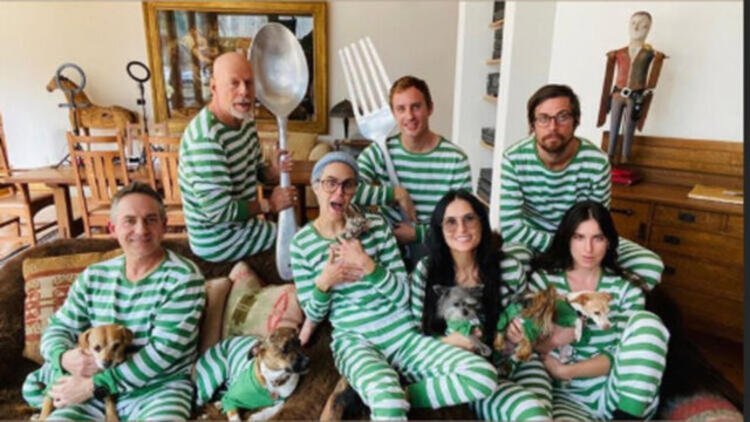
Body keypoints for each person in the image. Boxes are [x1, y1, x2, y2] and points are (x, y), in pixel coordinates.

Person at [290, 152, 497, 420]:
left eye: (348, 184)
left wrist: (367, 264)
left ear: (355, 190)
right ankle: (388, 397)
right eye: (330, 183)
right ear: (316, 186)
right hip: (357, 343)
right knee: (388, 403)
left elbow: (402, 295)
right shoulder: (301, 244)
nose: (339, 192)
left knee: (483, 375)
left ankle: (401, 395)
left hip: (405, 337)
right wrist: (325, 281)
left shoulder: (376, 226)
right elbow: (313, 313)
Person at [22, 182, 206, 420]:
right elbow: (58, 328)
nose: (141, 230)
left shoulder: (183, 278)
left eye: (150, 220)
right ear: (113, 228)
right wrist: (64, 358)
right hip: (87, 389)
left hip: (159, 389)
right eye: (129, 221)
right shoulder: (93, 276)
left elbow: (162, 354)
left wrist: (94, 386)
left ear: (164, 226)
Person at [499, 83, 663, 289]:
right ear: (533, 124)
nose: (553, 127)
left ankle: (604, 306)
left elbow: (598, 222)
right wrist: (560, 246)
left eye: (562, 117)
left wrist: (578, 246)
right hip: (531, 239)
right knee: (506, 266)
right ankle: (532, 307)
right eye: (543, 118)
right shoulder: (514, 158)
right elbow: (511, 228)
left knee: (650, 265)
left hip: (583, 240)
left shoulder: (597, 162)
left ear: (576, 121)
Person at [410, 190, 551, 421]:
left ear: (482, 222)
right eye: (451, 222)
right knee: (531, 414)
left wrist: (518, 334)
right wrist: (448, 342)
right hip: (462, 369)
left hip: (513, 359)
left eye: (469, 218)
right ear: (439, 229)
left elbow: (524, 316)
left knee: (543, 414)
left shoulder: (509, 266)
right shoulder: (426, 271)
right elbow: (414, 338)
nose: (462, 229)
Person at [528, 200, 669, 420]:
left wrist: (566, 371)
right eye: (579, 237)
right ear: (567, 239)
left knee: (648, 322)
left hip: (620, 393)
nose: (588, 249)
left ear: (609, 242)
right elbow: (528, 342)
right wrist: (556, 340)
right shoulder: (543, 282)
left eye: (598, 238)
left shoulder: (626, 288)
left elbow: (622, 355)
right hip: (565, 397)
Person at [178, 51, 297, 266]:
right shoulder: (205, 138)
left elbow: (257, 172)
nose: (244, 91)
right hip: (219, 241)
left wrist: (273, 170)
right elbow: (220, 212)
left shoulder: (245, 121)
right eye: (234, 83)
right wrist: (269, 204)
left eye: (249, 83)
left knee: (306, 239)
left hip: (245, 227)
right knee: (299, 246)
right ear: (214, 87)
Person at [353, 75, 472, 267]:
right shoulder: (380, 151)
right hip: (389, 248)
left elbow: (464, 221)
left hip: (437, 248)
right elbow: (348, 191)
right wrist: (395, 193)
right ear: (393, 114)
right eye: (401, 109)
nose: (409, 116)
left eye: (416, 107)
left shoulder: (455, 159)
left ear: (430, 108)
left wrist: (417, 234)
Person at [596, 11, 666, 162]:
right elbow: (609, 76)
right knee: (614, 126)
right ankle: (610, 155)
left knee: (629, 128)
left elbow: (654, 74)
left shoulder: (650, 53)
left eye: (642, 25)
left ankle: (625, 156)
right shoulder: (618, 53)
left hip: (636, 95)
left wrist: (658, 60)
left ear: (648, 28)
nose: (636, 28)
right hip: (617, 94)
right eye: (633, 23)